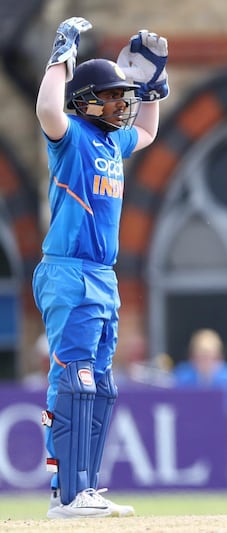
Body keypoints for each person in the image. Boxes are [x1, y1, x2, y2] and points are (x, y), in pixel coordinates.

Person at [33, 17, 169, 518]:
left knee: (102, 383)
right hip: (68, 271)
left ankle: (84, 487)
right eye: (111, 95)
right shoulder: (70, 136)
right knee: (75, 378)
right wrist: (62, 56)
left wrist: (153, 88)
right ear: (86, 98)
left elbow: (150, 130)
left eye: (123, 95)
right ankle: (66, 494)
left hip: (102, 276)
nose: (121, 103)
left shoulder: (115, 142)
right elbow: (48, 105)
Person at [172, 328, 227, 406]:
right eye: (201, 356)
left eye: (209, 355)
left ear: (219, 356)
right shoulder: (182, 374)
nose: (205, 360)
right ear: (192, 356)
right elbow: (177, 402)